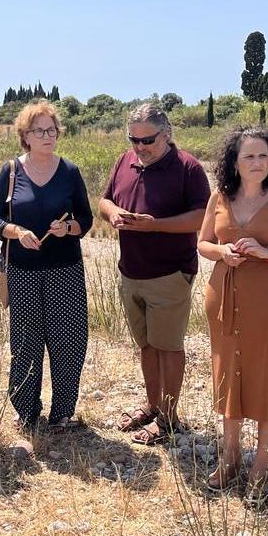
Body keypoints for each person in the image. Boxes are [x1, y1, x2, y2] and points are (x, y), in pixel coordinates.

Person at [197, 127, 268, 489]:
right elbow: (203, 243)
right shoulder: (220, 197)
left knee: (265, 380)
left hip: (267, 303)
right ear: (235, 161)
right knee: (229, 377)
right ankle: (229, 460)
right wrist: (222, 252)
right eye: (249, 156)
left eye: (263, 155)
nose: (257, 162)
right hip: (223, 298)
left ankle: (260, 467)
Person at [98, 103, 210, 445]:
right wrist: (114, 212)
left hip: (169, 274)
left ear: (167, 134)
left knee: (168, 347)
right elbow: (104, 201)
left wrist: (155, 226)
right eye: (134, 139)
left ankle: (168, 418)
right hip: (130, 272)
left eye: (148, 140)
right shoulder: (124, 161)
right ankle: (151, 405)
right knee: (146, 344)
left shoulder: (187, 168)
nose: (140, 147)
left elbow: (203, 217)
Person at [0, 101, 94, 432]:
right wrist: (16, 232)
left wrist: (69, 228)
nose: (48, 136)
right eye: (40, 131)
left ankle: (62, 412)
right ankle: (27, 411)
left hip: (65, 270)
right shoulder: (11, 172)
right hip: (22, 271)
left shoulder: (70, 172)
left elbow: (86, 219)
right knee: (25, 341)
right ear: (26, 135)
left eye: (52, 130)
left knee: (68, 338)